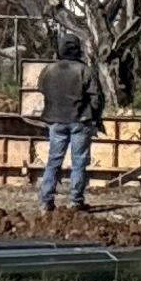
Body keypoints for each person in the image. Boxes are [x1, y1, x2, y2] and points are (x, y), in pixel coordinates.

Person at [32, 33, 106, 211]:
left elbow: (42, 89)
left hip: (55, 121)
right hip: (80, 121)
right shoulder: (84, 71)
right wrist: (93, 117)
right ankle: (75, 200)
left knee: (53, 161)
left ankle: (46, 200)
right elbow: (96, 97)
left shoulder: (49, 70)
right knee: (79, 162)